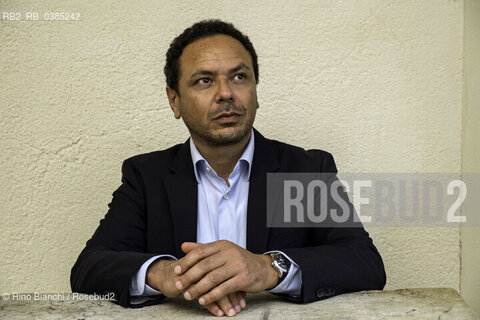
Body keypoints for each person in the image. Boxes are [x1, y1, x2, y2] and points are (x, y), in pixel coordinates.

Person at [71, 19, 386, 317]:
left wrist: (268, 268)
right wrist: (166, 273)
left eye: (239, 77)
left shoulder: (304, 171)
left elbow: (365, 263)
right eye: (204, 80)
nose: (226, 93)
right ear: (174, 100)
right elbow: (89, 267)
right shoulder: (146, 177)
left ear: (256, 92)